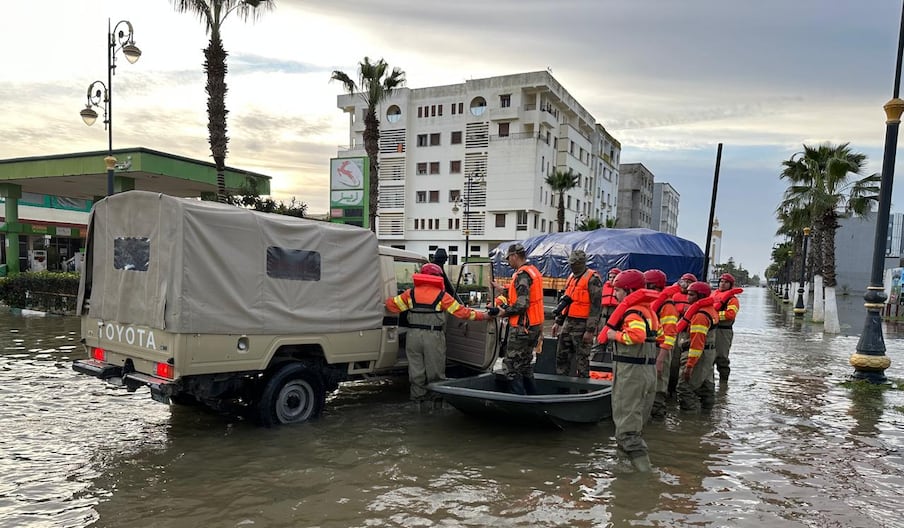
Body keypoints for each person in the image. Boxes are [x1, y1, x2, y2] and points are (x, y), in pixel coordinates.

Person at [386, 263, 492, 403]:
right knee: (435, 373)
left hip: (413, 336)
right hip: (433, 336)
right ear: (437, 277)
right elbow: (462, 313)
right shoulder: (442, 296)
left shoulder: (410, 293)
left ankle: (417, 403)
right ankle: (435, 405)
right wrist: (484, 316)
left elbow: (391, 306)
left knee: (416, 372)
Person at [603, 269, 659, 472]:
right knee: (631, 425)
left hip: (632, 373)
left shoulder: (633, 312)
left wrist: (613, 335)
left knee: (627, 431)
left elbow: (636, 336)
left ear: (628, 291)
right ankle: (624, 471)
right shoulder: (649, 310)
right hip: (646, 371)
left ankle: (645, 475)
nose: (615, 294)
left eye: (617, 290)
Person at [492, 243, 544, 395]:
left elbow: (522, 304)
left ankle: (518, 401)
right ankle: (533, 400)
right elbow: (527, 294)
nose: (508, 262)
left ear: (515, 256)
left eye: (509, 258)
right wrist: (504, 290)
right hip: (533, 326)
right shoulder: (533, 271)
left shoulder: (522, 275)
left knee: (511, 366)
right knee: (525, 366)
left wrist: (503, 311)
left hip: (522, 328)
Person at [551, 250, 603, 378]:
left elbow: (596, 307)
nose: (572, 266)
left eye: (574, 264)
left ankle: (583, 390)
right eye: (571, 264)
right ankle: (562, 388)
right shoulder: (571, 278)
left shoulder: (592, 279)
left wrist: (590, 330)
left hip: (583, 324)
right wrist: (558, 322)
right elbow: (566, 301)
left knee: (582, 359)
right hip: (569, 322)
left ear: (581, 263)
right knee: (561, 356)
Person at [675, 281, 719, 411]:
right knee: (706, 386)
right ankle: (707, 417)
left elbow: (696, 343)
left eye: (691, 294)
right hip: (708, 354)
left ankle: (690, 423)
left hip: (697, 356)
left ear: (700, 296)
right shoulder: (710, 310)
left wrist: (689, 366)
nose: (687, 297)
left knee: (685, 388)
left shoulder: (700, 315)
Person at [644, 269, 679, 420]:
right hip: (649, 348)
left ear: (653, 285)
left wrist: (660, 359)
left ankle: (658, 419)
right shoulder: (649, 301)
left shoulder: (668, 306)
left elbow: (670, 335)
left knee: (658, 386)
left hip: (660, 350)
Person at [667, 272, 697, 395]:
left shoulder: (697, 299)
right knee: (673, 360)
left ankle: (684, 386)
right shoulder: (673, 295)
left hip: (688, 332)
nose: (686, 285)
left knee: (684, 360)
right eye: (684, 282)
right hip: (675, 329)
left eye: (689, 282)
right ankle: (671, 388)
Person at [713, 273, 741, 382]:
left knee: (722, 358)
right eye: (721, 281)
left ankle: (723, 384)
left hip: (723, 331)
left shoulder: (732, 300)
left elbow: (730, 314)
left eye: (726, 282)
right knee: (708, 358)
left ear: (730, 285)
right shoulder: (713, 295)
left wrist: (714, 316)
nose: (723, 284)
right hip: (711, 329)